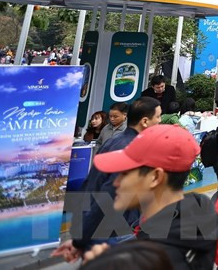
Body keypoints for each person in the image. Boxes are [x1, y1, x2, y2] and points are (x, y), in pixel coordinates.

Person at [89, 125, 218, 269]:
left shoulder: (147, 261)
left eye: (125, 173)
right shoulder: (197, 221)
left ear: (155, 177)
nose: (116, 182)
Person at [56, 98, 162, 261]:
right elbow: (108, 197)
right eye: (158, 117)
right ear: (145, 121)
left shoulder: (114, 141)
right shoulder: (132, 150)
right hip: (115, 232)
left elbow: (90, 182)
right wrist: (80, 240)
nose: (160, 122)